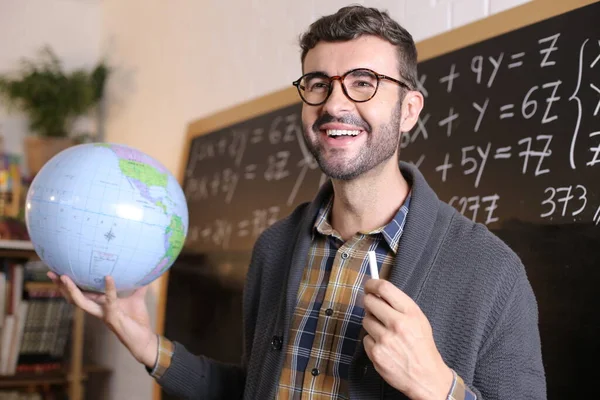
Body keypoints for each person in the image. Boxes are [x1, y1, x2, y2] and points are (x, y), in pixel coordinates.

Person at [50, 5, 546, 400]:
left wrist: (438, 388)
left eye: (363, 83)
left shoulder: (492, 271)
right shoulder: (276, 247)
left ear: (409, 109)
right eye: (317, 84)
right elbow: (253, 388)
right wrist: (144, 343)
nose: (334, 104)